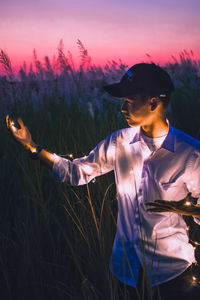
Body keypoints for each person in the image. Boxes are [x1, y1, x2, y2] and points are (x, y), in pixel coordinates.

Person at [6, 63, 200, 300]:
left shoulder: (190, 153)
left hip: (173, 276)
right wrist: (33, 147)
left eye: (129, 100)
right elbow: (78, 172)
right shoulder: (119, 142)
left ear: (153, 102)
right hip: (124, 271)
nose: (122, 108)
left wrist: (186, 210)